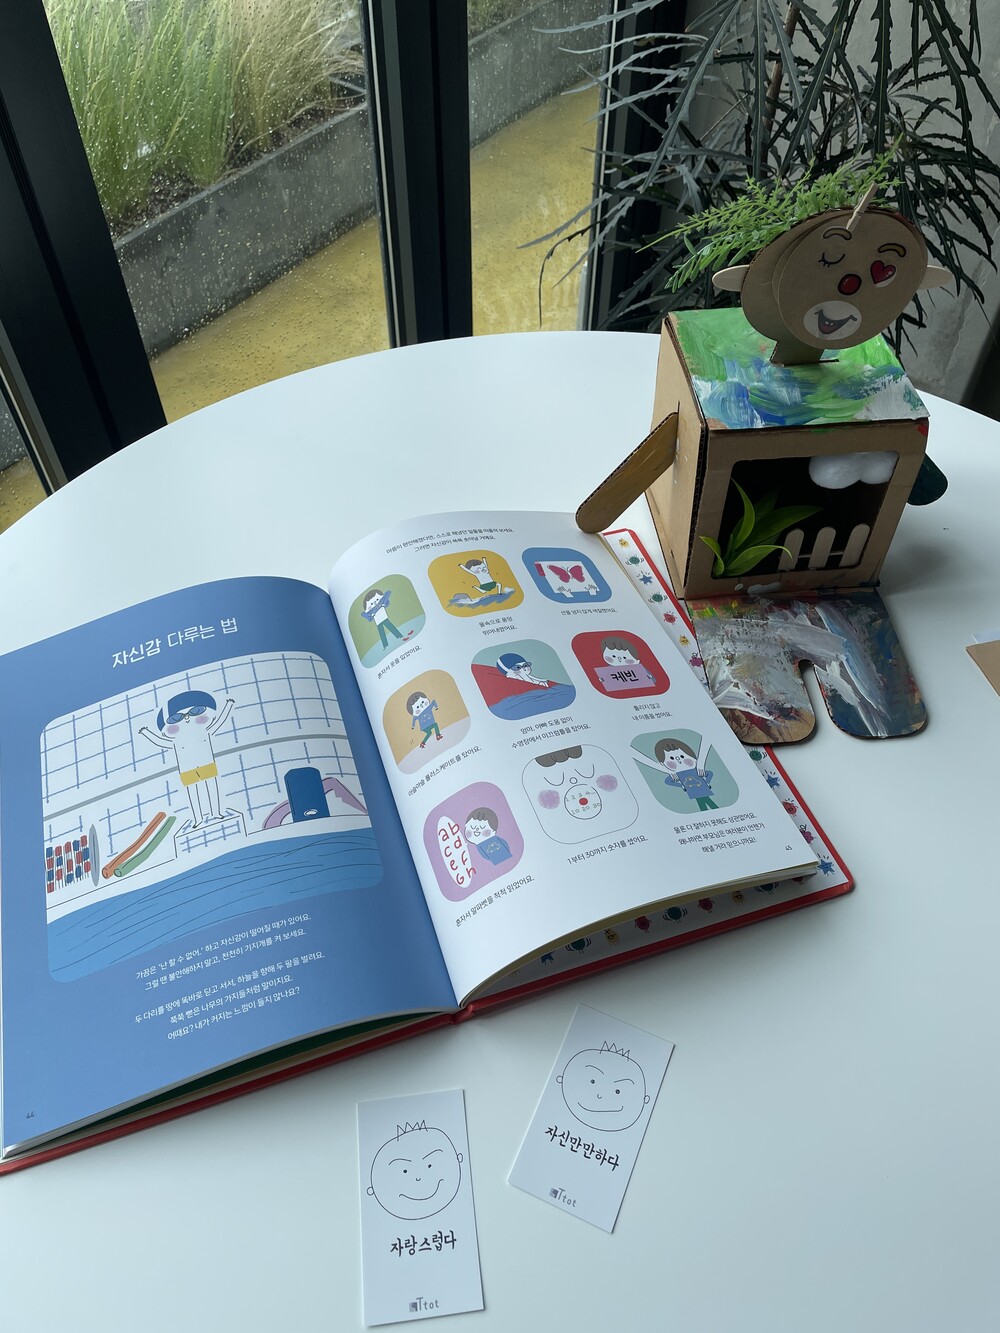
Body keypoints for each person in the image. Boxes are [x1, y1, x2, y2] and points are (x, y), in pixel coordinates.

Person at [139, 690, 235, 828]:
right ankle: (198, 819)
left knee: (212, 787)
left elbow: (219, 721)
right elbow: (160, 741)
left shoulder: (204, 730)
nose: (187, 718)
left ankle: (216, 812)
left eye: (196, 711)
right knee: (192, 793)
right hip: (187, 768)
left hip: (206, 762)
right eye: (176, 718)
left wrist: (229, 705)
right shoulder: (175, 741)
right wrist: (146, 732)